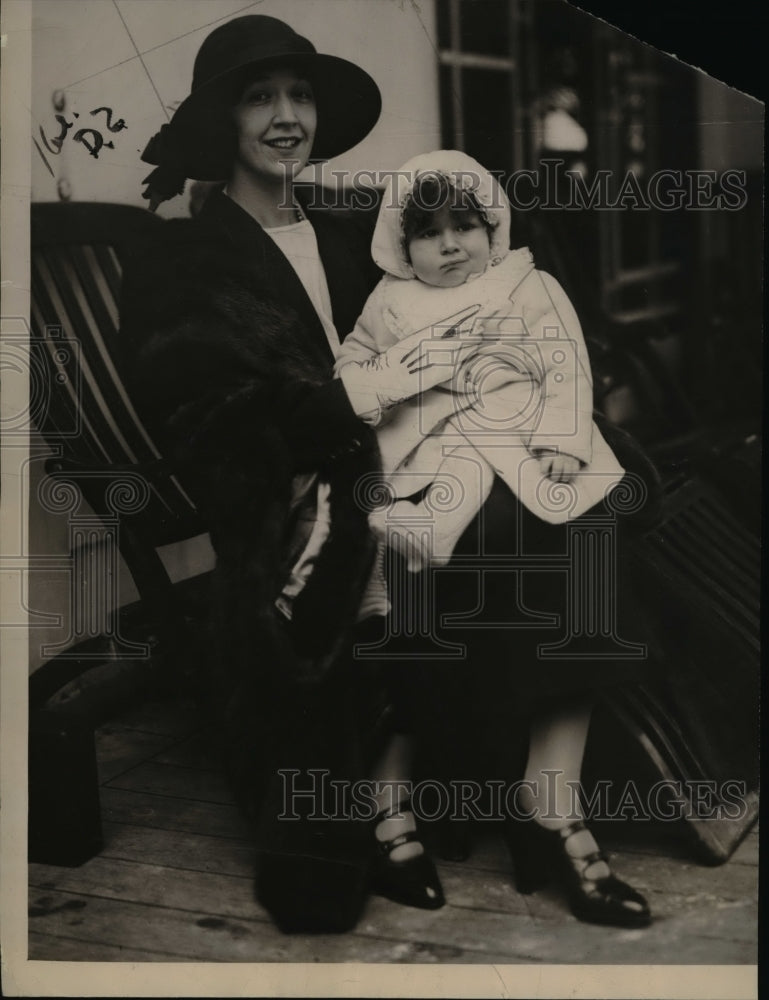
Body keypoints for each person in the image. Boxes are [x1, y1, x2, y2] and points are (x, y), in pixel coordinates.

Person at [118, 15, 454, 932]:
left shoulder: (348, 234)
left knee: (516, 522)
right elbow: (196, 412)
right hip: (275, 495)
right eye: (259, 97)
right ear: (224, 120)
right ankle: (372, 819)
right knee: (352, 565)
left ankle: (426, 788)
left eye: (298, 95)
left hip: (387, 464)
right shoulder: (184, 250)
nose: (284, 117)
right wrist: (328, 432)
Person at [336, 150, 662, 928]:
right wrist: (389, 382)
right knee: (409, 564)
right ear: (400, 244)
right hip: (435, 461)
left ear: (492, 229)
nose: (449, 246)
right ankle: (398, 794)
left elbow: (566, 365)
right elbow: (348, 373)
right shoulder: (388, 302)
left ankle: (549, 799)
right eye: (429, 234)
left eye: (465, 227)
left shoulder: (527, 285)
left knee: (584, 535)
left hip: (527, 451)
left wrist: (560, 434)